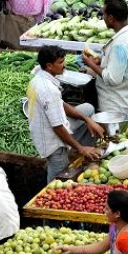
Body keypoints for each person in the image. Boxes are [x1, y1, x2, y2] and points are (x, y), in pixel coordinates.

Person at [28, 45, 103, 183]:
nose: (64, 65)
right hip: (51, 140)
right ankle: (49, 199)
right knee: (59, 178)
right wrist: (80, 148)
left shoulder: (39, 76)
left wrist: (87, 120)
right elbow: (57, 127)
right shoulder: (48, 90)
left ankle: (83, 154)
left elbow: (61, 104)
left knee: (87, 109)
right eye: (61, 62)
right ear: (49, 66)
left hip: (46, 128)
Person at [82, 0, 128, 114]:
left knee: (114, 133)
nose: (103, 18)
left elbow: (112, 79)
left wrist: (89, 63)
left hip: (116, 105)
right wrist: (101, 61)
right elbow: (124, 63)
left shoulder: (120, 45)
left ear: (111, 18)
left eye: (104, 14)